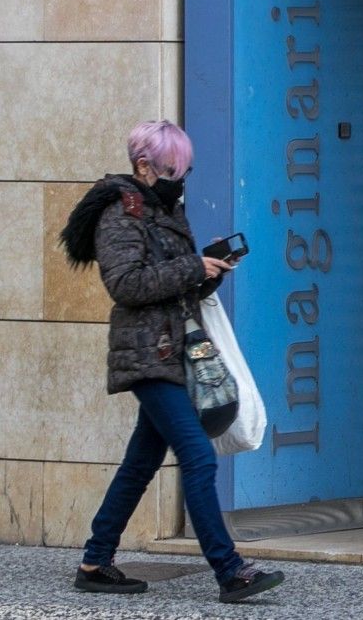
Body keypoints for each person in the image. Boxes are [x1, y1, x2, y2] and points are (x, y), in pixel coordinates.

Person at [59, 120, 284, 604]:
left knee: (140, 462)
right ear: (144, 166)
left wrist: (209, 271)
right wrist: (189, 266)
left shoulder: (163, 208)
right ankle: (230, 571)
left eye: (184, 171)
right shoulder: (122, 212)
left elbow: (171, 285)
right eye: (171, 170)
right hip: (148, 354)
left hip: (173, 349)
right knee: (199, 459)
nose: (179, 179)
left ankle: (96, 561)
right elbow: (125, 285)